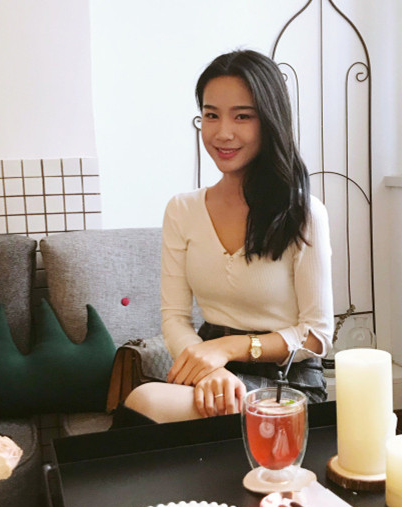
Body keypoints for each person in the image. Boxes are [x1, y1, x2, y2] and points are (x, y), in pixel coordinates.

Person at [122, 49, 334, 424]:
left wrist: (228, 348)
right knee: (146, 407)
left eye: (242, 116)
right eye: (211, 115)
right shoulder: (182, 210)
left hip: (287, 381)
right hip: (211, 372)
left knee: (148, 401)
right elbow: (174, 318)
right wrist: (211, 369)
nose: (222, 133)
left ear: (269, 121)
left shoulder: (303, 213)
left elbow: (316, 336)